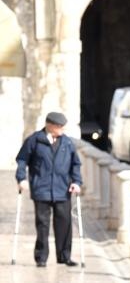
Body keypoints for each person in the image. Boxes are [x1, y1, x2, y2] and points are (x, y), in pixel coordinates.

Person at [15, 111, 83, 267]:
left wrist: (77, 182)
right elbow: (22, 159)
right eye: (60, 127)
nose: (62, 130)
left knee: (64, 224)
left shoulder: (67, 143)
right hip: (41, 189)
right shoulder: (34, 140)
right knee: (42, 224)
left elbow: (76, 164)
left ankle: (64, 256)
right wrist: (21, 178)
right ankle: (41, 258)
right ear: (50, 125)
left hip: (63, 189)